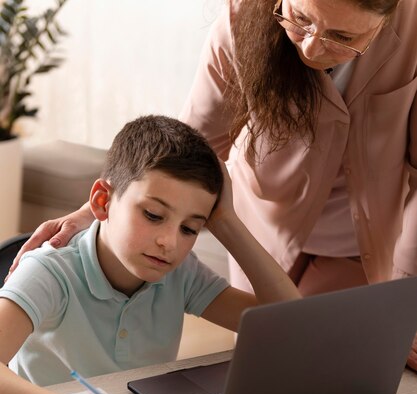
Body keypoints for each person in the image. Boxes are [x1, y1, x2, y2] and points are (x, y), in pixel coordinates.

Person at [13, 0, 417, 367]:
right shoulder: (243, 16)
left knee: (333, 366)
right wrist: (96, 210)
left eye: (343, 37)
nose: (311, 49)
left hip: (362, 242)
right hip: (265, 227)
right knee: (272, 365)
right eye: (300, 19)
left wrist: (406, 295)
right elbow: (190, 148)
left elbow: (293, 321)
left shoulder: (180, 276)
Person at [0, 115, 299, 394]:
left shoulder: (182, 274)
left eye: (190, 228)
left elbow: (291, 327)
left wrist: (227, 223)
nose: (169, 242)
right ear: (102, 202)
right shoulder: (51, 272)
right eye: (154, 215)